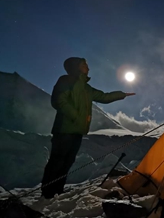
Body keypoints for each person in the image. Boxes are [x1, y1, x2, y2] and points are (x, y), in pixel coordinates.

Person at [41, 57, 135, 199]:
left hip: (77, 131)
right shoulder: (65, 81)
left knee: (68, 161)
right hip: (64, 129)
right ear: (75, 67)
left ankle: (58, 190)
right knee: (57, 160)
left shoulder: (87, 88)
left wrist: (121, 95)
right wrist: (76, 116)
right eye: (84, 65)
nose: (88, 68)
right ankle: (47, 192)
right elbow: (59, 100)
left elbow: (104, 97)